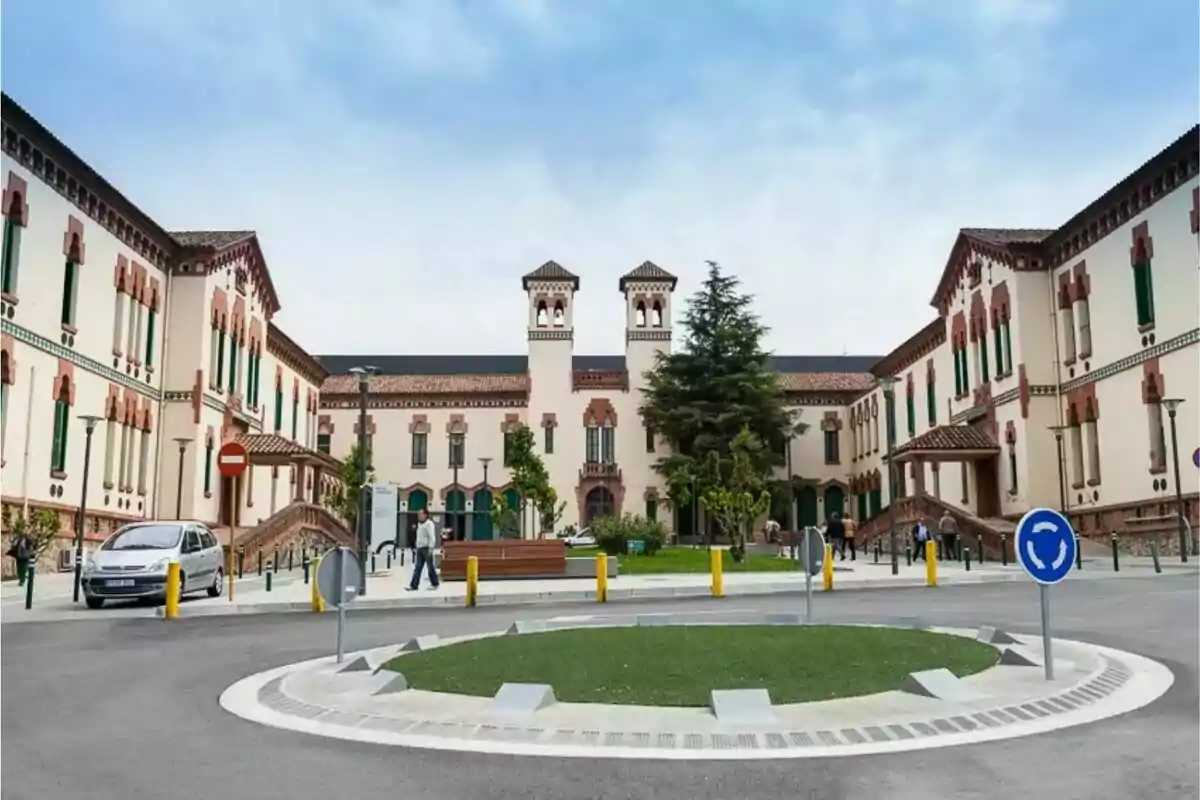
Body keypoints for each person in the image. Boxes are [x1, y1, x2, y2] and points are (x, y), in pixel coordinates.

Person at [406, 509, 440, 591]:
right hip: (420, 548)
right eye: (418, 514)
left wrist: (431, 547)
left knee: (430, 567)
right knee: (418, 567)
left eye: (420, 514)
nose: (419, 516)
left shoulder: (429, 524)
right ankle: (414, 585)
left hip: (426, 548)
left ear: (425, 515)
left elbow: (432, 537)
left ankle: (435, 583)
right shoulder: (420, 524)